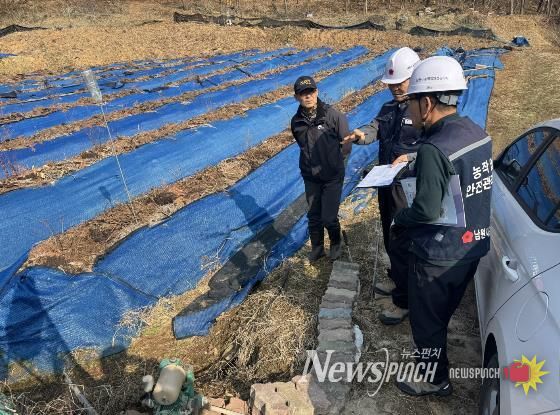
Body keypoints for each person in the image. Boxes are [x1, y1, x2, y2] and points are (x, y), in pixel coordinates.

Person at [391, 56, 492, 396]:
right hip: (471, 246)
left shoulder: (434, 149)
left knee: (426, 322)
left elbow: (425, 210)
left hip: (437, 254)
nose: (410, 110)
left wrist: (400, 218)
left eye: (412, 102)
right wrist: (417, 158)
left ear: (427, 103)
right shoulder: (475, 132)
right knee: (442, 312)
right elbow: (458, 169)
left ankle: (434, 380)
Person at [342, 47, 422, 325]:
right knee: (389, 233)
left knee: (403, 240)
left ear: (414, 77)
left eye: (399, 82)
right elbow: (374, 127)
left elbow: (435, 146)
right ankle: (397, 279)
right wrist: (360, 134)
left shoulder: (423, 109)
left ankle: (405, 300)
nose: (395, 88)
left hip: (407, 186)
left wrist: (411, 157)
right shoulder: (388, 108)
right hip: (386, 182)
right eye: (391, 84)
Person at [290, 75, 355, 261]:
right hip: (310, 176)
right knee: (313, 215)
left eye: (311, 91)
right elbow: (302, 145)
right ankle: (317, 248)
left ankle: (335, 243)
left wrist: (334, 163)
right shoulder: (296, 121)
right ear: (297, 97)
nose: (308, 96)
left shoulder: (332, 115)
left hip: (332, 176)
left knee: (328, 217)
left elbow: (346, 143)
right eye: (303, 93)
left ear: (317, 92)